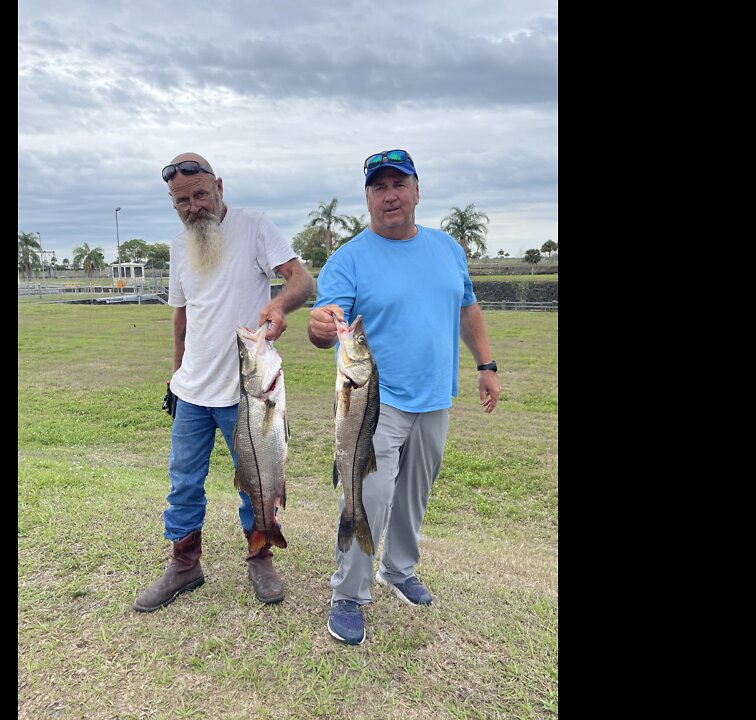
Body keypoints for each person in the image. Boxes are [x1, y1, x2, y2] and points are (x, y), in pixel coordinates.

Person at [307, 148, 501, 644]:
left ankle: (398, 569)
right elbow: (327, 323)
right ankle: (348, 593)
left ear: (417, 190)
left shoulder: (447, 248)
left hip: (437, 396)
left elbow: (468, 310)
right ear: (368, 197)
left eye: (398, 184)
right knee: (369, 494)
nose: (389, 195)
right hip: (376, 401)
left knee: (414, 495)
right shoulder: (347, 259)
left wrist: (486, 365)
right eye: (379, 187)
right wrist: (321, 327)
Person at [134, 152, 315, 613]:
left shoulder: (254, 226)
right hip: (192, 392)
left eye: (199, 195)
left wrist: (278, 308)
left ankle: (260, 556)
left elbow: (300, 280)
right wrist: (175, 373)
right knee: (183, 484)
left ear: (219, 187)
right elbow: (182, 314)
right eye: (182, 201)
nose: (193, 207)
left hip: (246, 393)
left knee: (257, 479)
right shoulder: (180, 247)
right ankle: (184, 564)